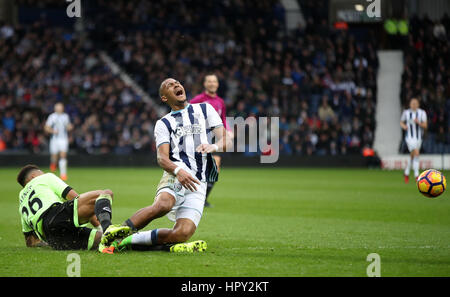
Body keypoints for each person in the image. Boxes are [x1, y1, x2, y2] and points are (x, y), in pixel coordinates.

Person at [103, 78, 230, 253]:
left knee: (182, 234)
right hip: (176, 174)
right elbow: (162, 159)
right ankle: (117, 230)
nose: (176, 85)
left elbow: (226, 140)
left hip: (198, 182)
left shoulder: (204, 109)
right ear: (164, 98)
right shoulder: (164, 123)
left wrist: (213, 146)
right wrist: (178, 171)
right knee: (163, 205)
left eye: (177, 82)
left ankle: (128, 241)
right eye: (170, 85)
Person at [17, 164, 128, 251]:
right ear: (33, 177)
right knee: (104, 194)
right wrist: (100, 226)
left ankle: (107, 236)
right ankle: (108, 229)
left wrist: (47, 243)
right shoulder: (45, 177)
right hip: (56, 215)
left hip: (52, 238)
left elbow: (30, 241)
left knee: (102, 240)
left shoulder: (22, 200)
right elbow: (75, 197)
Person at [190, 74, 233, 207]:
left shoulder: (220, 101)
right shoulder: (198, 99)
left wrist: (227, 131)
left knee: (216, 166)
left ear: (217, 84)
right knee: (198, 167)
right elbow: (186, 113)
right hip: (200, 136)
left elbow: (223, 118)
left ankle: (203, 199)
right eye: (209, 81)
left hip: (214, 136)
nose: (212, 83)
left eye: (214, 81)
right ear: (205, 84)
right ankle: (193, 197)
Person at [400, 98, 427, 183]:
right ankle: (417, 175)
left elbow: (425, 126)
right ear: (410, 104)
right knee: (416, 153)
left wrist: (418, 122)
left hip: (418, 138)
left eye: (415, 103)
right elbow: (401, 122)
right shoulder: (406, 113)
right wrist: (404, 127)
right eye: (412, 103)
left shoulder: (422, 113)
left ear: (418, 104)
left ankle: (406, 172)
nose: (414, 105)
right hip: (409, 138)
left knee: (412, 155)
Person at [44, 103, 73, 181]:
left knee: (63, 155)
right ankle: (53, 164)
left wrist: (70, 127)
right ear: (55, 108)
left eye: (61, 107)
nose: (59, 109)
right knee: (54, 157)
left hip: (63, 139)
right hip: (54, 139)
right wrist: (53, 131)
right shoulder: (52, 116)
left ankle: (63, 174)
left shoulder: (65, 116)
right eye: (58, 107)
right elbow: (46, 127)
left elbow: (68, 126)